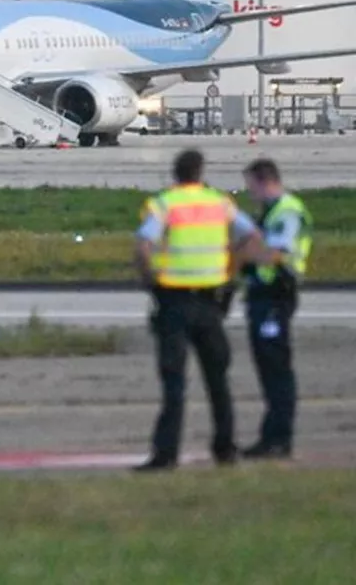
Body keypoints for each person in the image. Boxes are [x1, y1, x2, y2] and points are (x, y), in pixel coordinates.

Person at [132, 149, 272, 472]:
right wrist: (230, 270)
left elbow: (143, 245)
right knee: (218, 379)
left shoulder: (165, 203)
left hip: (173, 300)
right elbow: (252, 237)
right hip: (210, 301)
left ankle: (166, 455)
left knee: (174, 381)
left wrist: (150, 280)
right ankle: (225, 449)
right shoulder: (219, 203)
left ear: (175, 174)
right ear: (200, 172)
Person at [239, 158, 312, 460]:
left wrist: (245, 250)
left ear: (263, 180)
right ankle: (272, 436)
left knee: (277, 367)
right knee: (268, 368)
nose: (250, 192)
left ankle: (279, 438)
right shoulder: (269, 213)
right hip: (262, 296)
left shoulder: (287, 212)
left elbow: (275, 255)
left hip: (276, 296)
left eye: (251, 186)